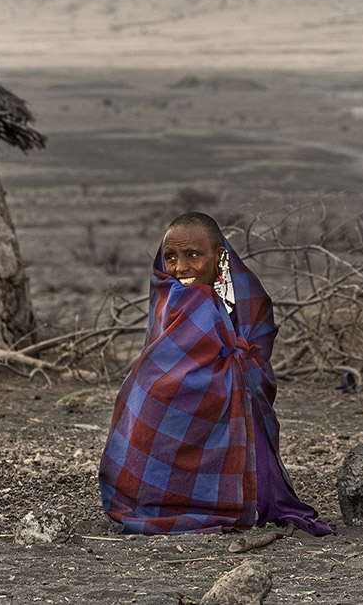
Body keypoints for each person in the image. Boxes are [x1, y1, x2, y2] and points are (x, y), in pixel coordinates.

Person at [98, 212, 334, 536]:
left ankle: (227, 498)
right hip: (179, 414)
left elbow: (258, 347)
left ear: (219, 256)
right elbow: (163, 364)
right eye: (171, 257)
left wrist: (236, 368)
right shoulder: (171, 297)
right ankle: (181, 497)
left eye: (192, 255)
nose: (180, 268)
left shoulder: (247, 299)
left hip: (242, 416)